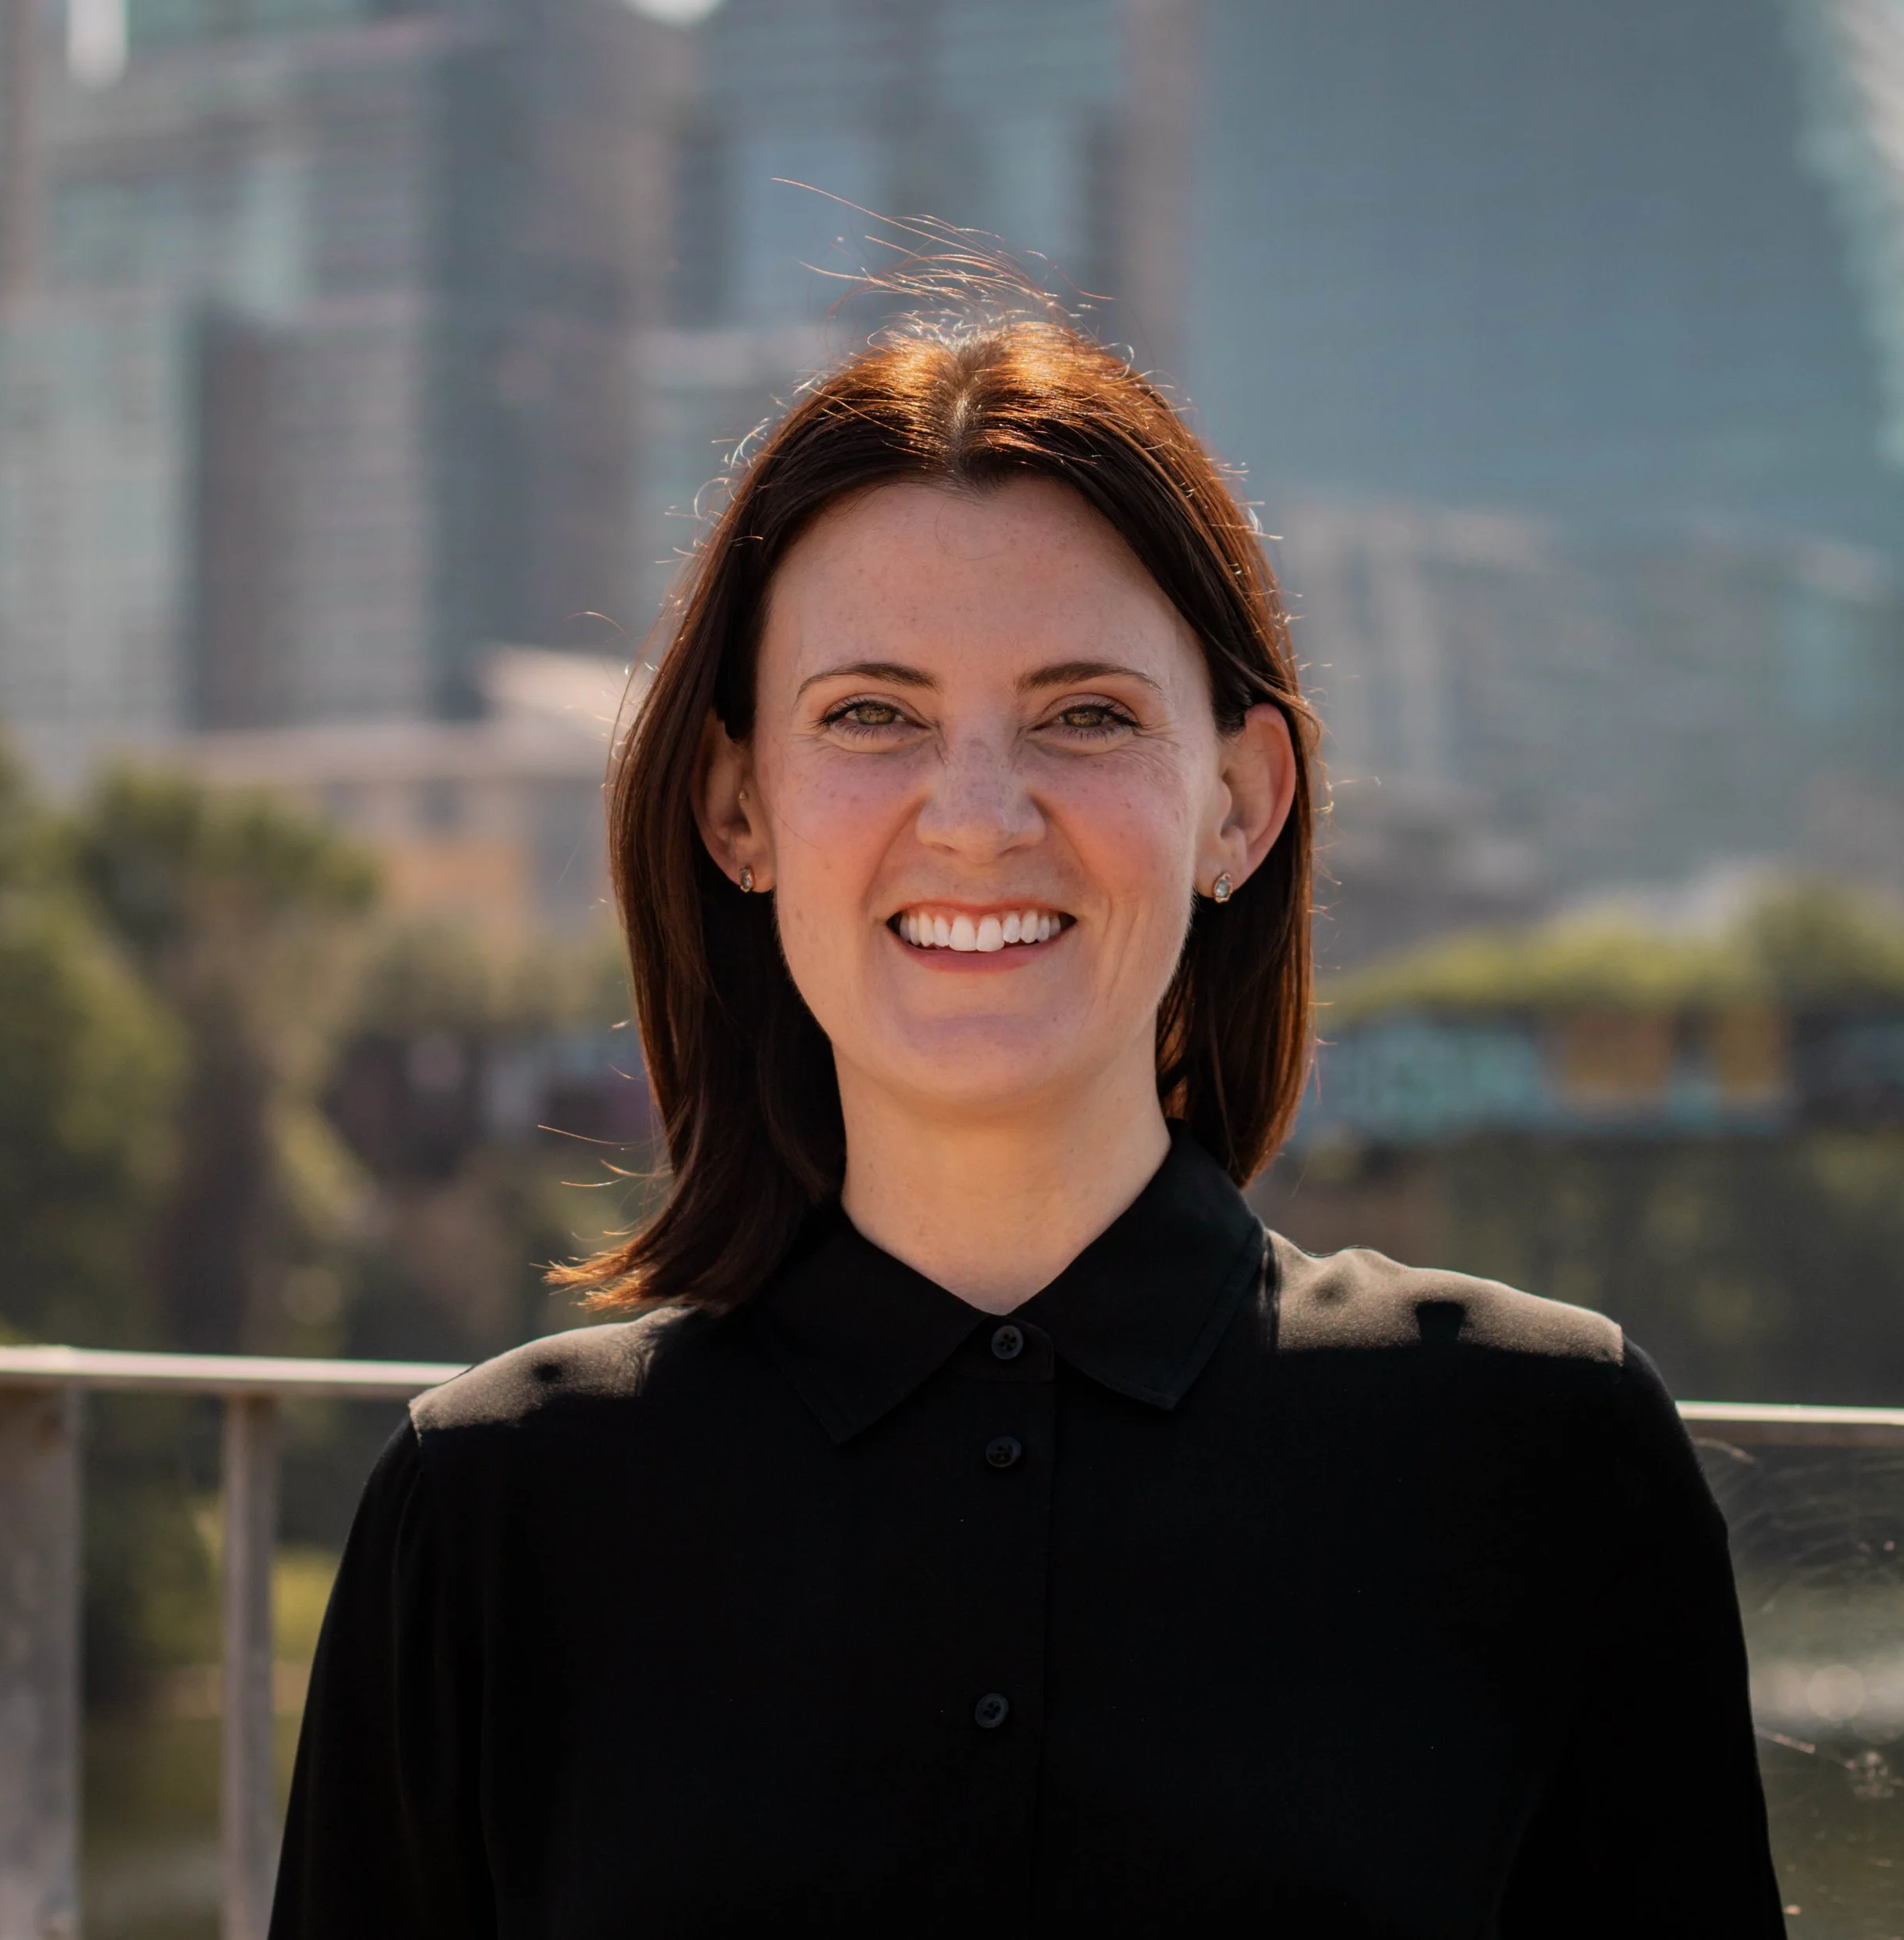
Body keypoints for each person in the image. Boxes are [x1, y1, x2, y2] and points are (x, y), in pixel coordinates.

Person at [271, 315, 1782, 1937]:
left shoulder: (1539, 1456)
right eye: (869, 716)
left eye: (1082, 716)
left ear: (1239, 800)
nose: (979, 817)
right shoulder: (496, 1511)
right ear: (736, 810)